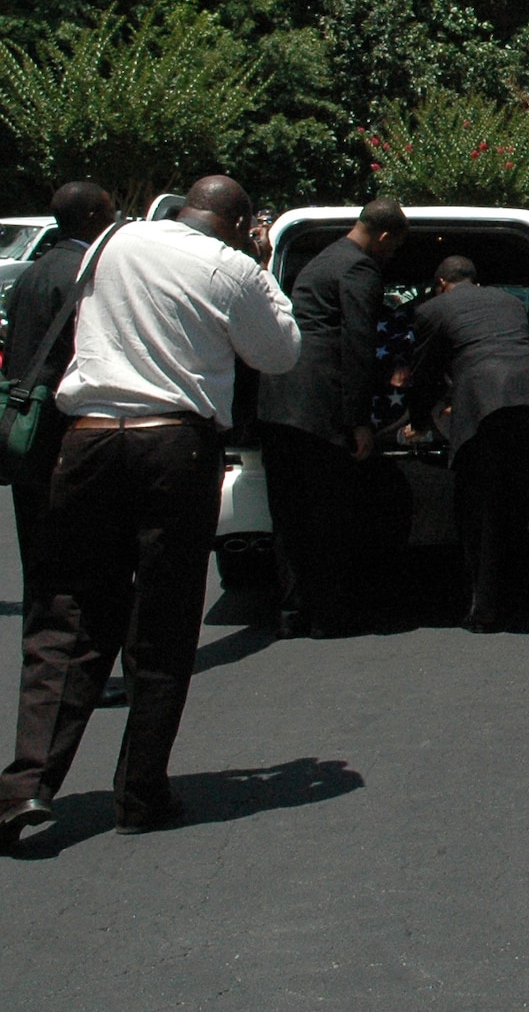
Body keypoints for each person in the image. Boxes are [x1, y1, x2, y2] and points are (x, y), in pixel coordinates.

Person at [0, 176, 300, 846]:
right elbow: (279, 352)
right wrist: (259, 262)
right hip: (174, 444)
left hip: (88, 438)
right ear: (240, 220)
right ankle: (140, 791)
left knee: (67, 613)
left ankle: (25, 787)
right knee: (161, 620)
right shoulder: (232, 268)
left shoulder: (114, 240)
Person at [403, 255, 529, 635]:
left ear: (441, 283)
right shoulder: (511, 303)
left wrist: (420, 421)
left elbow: (423, 374)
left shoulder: (432, 310)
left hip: (485, 410)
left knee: (481, 508)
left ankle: (484, 609)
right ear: (475, 279)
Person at [258, 199, 409, 638]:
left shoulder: (322, 259)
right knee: (330, 514)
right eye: (393, 248)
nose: (390, 256)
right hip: (322, 405)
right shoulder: (359, 269)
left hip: (280, 398)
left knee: (288, 515)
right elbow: (359, 342)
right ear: (383, 237)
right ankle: (329, 616)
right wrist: (359, 419)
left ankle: (293, 611)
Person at [4, 184, 118, 719]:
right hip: (66, 438)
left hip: (24, 437)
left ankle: (42, 673)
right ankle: (80, 676)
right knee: (85, 566)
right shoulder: (86, 275)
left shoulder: (29, 273)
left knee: (40, 568)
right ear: (95, 216)